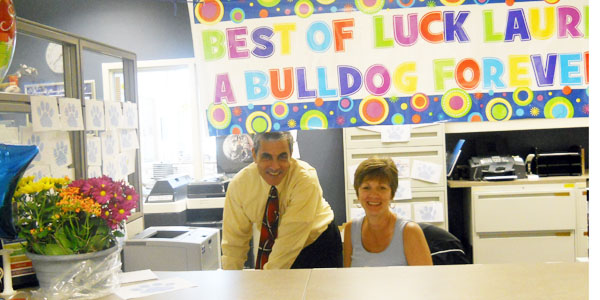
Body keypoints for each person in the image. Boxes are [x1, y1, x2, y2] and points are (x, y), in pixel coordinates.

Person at [221, 131, 342, 270]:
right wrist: (231, 279)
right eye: (267, 157)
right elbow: (234, 243)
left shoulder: (305, 179)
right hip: (278, 246)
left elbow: (289, 241)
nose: (275, 166)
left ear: (291, 155)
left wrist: (266, 282)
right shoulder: (240, 185)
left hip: (318, 244)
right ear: (254, 154)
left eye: (282, 157)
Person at [343, 157, 432, 267]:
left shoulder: (410, 231)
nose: (374, 195)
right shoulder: (350, 230)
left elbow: (425, 281)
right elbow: (348, 279)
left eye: (382, 188)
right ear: (358, 193)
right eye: (366, 188)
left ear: (392, 194)